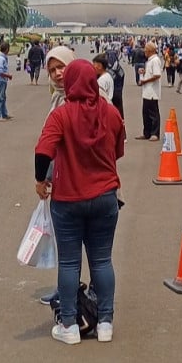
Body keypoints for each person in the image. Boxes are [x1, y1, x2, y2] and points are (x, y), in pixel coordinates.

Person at [34, 60, 124, 345]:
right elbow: (118, 151)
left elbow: (42, 152)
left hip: (68, 199)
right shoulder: (110, 113)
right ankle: (105, 322)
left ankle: (70, 325)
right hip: (105, 197)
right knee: (102, 260)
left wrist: (40, 181)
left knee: (70, 263)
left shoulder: (61, 115)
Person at [135, 42, 163, 140]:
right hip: (147, 91)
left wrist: (145, 81)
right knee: (145, 113)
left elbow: (157, 75)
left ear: (150, 51)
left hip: (152, 91)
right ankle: (146, 133)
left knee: (153, 113)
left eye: (146, 50)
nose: (144, 52)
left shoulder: (155, 60)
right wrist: (144, 72)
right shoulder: (150, 61)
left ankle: (155, 133)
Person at [0, 42, 13, 122]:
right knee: (0, 97)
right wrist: (8, 76)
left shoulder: (0, 57)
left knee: (3, 97)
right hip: (0, 80)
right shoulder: (1, 59)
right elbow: (0, 71)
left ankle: (4, 113)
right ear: (7, 49)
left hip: (1, 79)